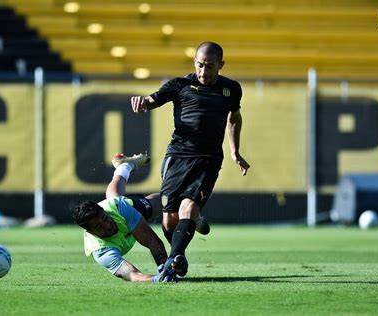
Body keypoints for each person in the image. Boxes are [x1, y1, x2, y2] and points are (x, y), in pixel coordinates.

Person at [130, 41, 250, 278]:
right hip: (177, 157)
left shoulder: (231, 89)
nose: (203, 71)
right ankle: (193, 226)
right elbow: (152, 100)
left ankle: (174, 262)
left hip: (208, 159)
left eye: (210, 66)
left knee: (189, 205)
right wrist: (142, 103)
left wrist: (235, 151)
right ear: (194, 62)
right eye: (200, 65)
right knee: (169, 221)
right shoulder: (180, 85)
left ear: (221, 65)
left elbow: (234, 117)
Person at [73, 153, 185, 283]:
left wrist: (164, 269)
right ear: (90, 232)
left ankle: (186, 205)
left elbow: (152, 242)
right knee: (113, 195)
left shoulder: (119, 208)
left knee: (157, 204)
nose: (107, 226)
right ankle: (124, 166)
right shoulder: (100, 250)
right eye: (99, 227)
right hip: (115, 205)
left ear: (104, 211)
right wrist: (157, 279)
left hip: (120, 208)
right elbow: (132, 275)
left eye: (105, 219)